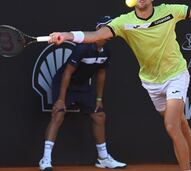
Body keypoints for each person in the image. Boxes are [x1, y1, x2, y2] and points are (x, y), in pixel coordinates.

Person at [48, 0, 191, 171]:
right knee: (181, 123)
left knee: (172, 126)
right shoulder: (124, 22)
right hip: (151, 82)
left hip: (176, 74)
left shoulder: (169, 11)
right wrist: (66, 35)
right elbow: (96, 35)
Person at [39, 16, 127, 171]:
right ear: (97, 29)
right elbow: (67, 73)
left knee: (99, 115)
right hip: (63, 83)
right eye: (104, 28)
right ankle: (45, 159)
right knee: (58, 114)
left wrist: (99, 98)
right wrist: (61, 99)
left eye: (110, 29)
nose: (107, 32)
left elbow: (101, 74)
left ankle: (103, 158)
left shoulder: (107, 51)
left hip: (83, 87)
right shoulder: (83, 48)